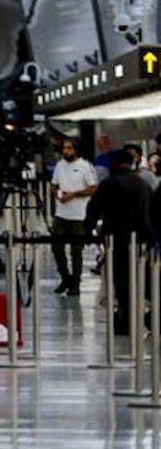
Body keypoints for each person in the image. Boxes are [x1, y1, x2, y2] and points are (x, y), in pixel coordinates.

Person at [85, 149, 153, 335]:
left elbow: (94, 208)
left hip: (117, 239)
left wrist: (88, 231)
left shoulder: (109, 184)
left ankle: (126, 319)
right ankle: (146, 316)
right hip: (142, 240)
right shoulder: (143, 184)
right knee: (143, 280)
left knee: (122, 282)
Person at [50, 139, 97, 296]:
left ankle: (75, 282)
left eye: (69, 148)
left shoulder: (85, 166)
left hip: (79, 215)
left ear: (76, 150)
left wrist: (74, 194)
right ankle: (65, 277)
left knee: (76, 251)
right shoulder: (59, 166)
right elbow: (54, 185)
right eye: (64, 148)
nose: (66, 151)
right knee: (57, 248)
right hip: (61, 213)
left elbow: (93, 188)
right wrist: (58, 194)